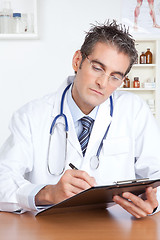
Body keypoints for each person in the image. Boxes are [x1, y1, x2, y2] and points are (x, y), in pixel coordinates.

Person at [0, 20, 160, 218]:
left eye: (115, 76)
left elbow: (157, 174)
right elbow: (2, 180)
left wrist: (153, 203)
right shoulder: (31, 116)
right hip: (48, 230)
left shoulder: (134, 111)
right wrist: (47, 193)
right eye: (97, 68)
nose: (102, 83)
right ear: (77, 61)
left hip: (116, 230)